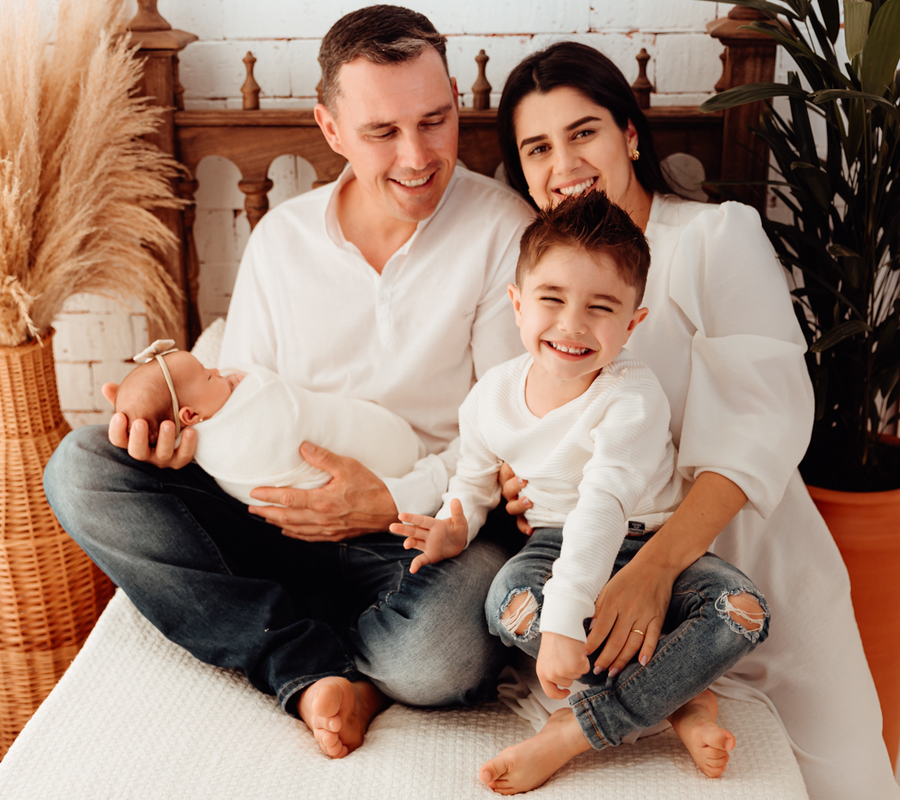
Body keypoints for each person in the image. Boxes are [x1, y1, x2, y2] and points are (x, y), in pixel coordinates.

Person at [42, 5, 535, 761]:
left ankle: (332, 656)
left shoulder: (505, 232)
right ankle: (305, 661)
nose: (418, 155)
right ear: (331, 129)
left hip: (422, 535)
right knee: (82, 468)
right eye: (382, 131)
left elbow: (505, 437)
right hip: (275, 522)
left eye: (435, 121)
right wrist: (183, 440)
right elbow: (236, 397)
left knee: (436, 654)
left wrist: (386, 500)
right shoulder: (282, 238)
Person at [492, 42, 900, 798]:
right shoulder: (537, 277)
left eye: (583, 132)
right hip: (609, 570)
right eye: (537, 148)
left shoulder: (714, 238)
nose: (563, 164)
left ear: (630, 135)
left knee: (848, 777)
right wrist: (522, 482)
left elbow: (763, 423)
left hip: (746, 557)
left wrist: (655, 570)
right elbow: (531, 414)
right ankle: (649, 708)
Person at [393, 189, 768, 793]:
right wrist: (455, 523)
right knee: (508, 602)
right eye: (551, 299)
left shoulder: (631, 395)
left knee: (741, 611)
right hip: (552, 543)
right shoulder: (490, 396)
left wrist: (567, 622)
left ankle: (576, 729)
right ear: (517, 304)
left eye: (601, 307)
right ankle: (678, 697)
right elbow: (473, 476)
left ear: (633, 323)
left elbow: (604, 506)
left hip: (646, 542)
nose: (572, 324)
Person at [113, 339, 423, 506]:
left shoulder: (216, 420)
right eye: (208, 376)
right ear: (191, 416)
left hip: (388, 491)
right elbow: (272, 399)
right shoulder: (233, 437)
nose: (220, 371)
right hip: (292, 520)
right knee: (91, 450)